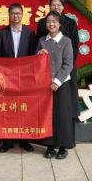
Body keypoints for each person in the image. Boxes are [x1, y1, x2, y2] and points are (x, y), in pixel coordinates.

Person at [0, 3, 37, 153]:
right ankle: (8, 141)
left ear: (22, 15)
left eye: (18, 13)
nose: (16, 16)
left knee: (24, 108)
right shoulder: (2, 33)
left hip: (25, 77)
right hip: (7, 78)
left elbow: (33, 57)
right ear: (9, 15)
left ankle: (25, 140)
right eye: (13, 13)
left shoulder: (30, 33)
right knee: (8, 109)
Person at [36, 0, 80, 127]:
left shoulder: (71, 23)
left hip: (66, 68)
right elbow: (39, 43)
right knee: (48, 106)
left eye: (59, 5)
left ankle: (67, 131)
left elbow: (74, 45)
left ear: (63, 7)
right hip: (48, 70)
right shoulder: (43, 22)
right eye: (53, 5)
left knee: (66, 103)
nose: (56, 7)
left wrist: (66, 65)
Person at [36, 11, 74, 159]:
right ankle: (50, 145)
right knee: (48, 115)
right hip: (45, 85)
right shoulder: (42, 41)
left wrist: (57, 81)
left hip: (61, 84)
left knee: (62, 116)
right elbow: (35, 61)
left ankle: (63, 147)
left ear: (60, 24)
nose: (51, 24)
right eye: (48, 21)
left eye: (54, 22)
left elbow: (68, 64)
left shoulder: (66, 41)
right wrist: (39, 53)